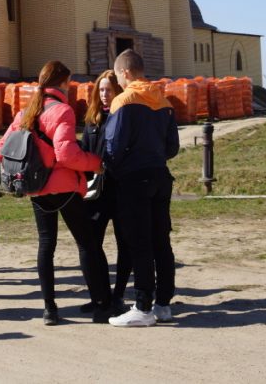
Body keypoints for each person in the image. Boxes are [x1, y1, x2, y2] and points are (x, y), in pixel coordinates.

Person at [0, 60, 112, 326]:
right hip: (64, 187)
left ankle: (49, 308)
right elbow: (67, 154)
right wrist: (95, 163)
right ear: (62, 82)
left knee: (46, 244)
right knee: (86, 243)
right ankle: (101, 304)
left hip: (36, 188)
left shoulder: (26, 112)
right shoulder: (63, 111)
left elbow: (1, 150)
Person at [104, 49, 180, 327]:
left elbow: (113, 146)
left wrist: (115, 168)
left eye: (117, 76)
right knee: (161, 241)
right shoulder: (163, 100)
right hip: (160, 175)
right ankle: (163, 304)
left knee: (140, 243)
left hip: (134, 179)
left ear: (125, 72)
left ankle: (142, 306)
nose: (118, 82)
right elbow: (173, 146)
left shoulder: (124, 100)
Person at [80, 69, 130, 316]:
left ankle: (119, 295)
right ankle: (100, 296)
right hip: (96, 194)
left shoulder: (124, 117)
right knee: (91, 244)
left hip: (121, 191)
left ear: (118, 91)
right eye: (100, 90)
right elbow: (84, 153)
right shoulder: (92, 120)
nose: (104, 94)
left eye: (108, 90)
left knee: (125, 244)